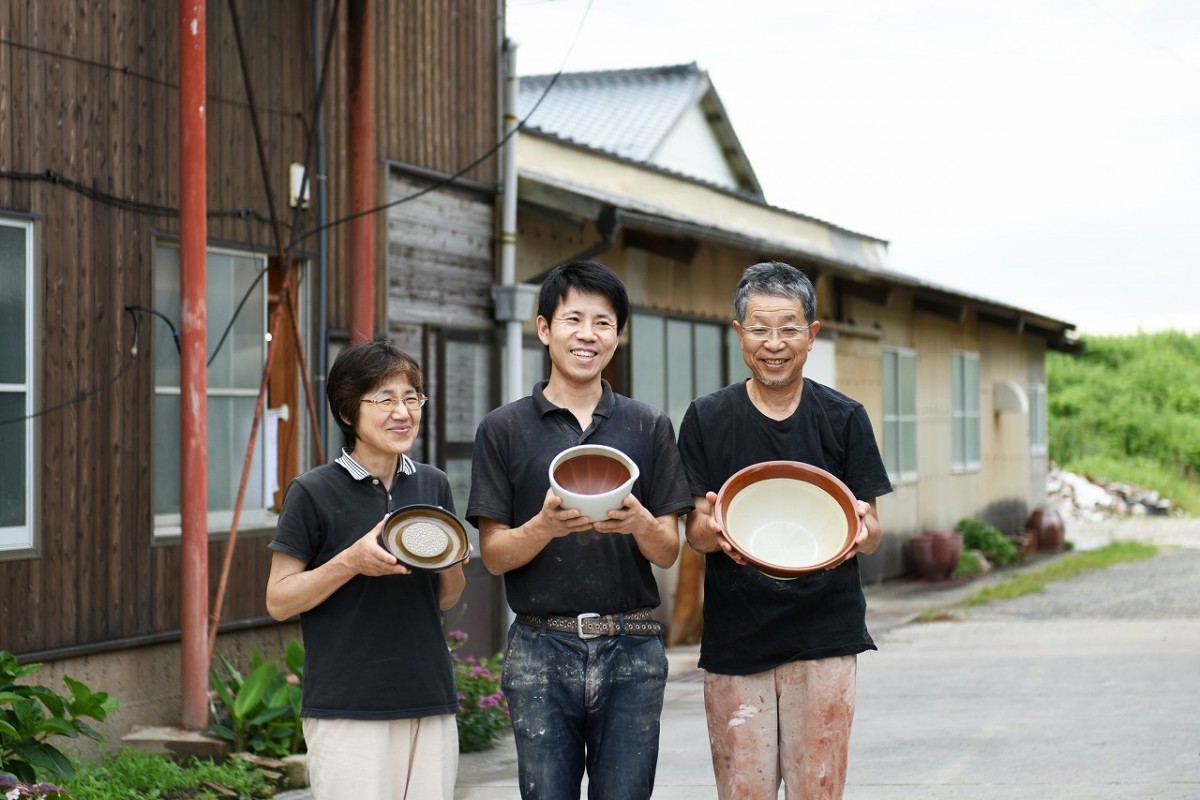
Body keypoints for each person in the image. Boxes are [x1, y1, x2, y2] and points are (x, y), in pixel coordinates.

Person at [467, 260, 693, 800]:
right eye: (573, 319)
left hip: (632, 644)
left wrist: (638, 519)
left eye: (603, 322)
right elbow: (494, 555)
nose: (588, 335)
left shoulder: (649, 424)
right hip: (541, 645)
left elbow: (667, 552)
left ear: (618, 335)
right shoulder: (504, 429)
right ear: (544, 329)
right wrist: (544, 526)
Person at [677, 260, 893, 800]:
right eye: (760, 328)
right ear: (739, 333)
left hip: (825, 632)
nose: (774, 343)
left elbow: (869, 527)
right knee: (741, 791)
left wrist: (864, 533)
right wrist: (714, 533)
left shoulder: (844, 417)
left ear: (812, 335)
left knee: (817, 790)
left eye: (789, 328)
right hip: (737, 634)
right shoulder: (707, 418)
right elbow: (696, 532)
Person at [265, 339, 466, 800]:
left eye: (411, 397)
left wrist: (454, 564)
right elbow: (278, 600)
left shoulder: (432, 484)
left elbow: (444, 597)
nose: (403, 412)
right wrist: (351, 562)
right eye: (385, 399)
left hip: (429, 697)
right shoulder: (312, 491)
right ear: (348, 412)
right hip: (348, 707)